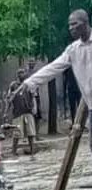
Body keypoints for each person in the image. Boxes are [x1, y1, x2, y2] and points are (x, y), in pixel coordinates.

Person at [20, 10, 92, 157]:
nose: (71, 28)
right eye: (69, 25)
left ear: (85, 23)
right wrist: (29, 83)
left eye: (74, 24)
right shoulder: (73, 50)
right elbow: (53, 67)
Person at [6, 69, 36, 156]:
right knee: (16, 133)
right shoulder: (13, 85)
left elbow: (33, 96)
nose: (21, 75)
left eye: (22, 73)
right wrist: (6, 111)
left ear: (25, 74)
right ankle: (13, 152)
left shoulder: (28, 84)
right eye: (19, 73)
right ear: (17, 75)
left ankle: (32, 151)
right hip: (17, 113)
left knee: (31, 133)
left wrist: (34, 108)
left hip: (28, 111)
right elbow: (9, 99)